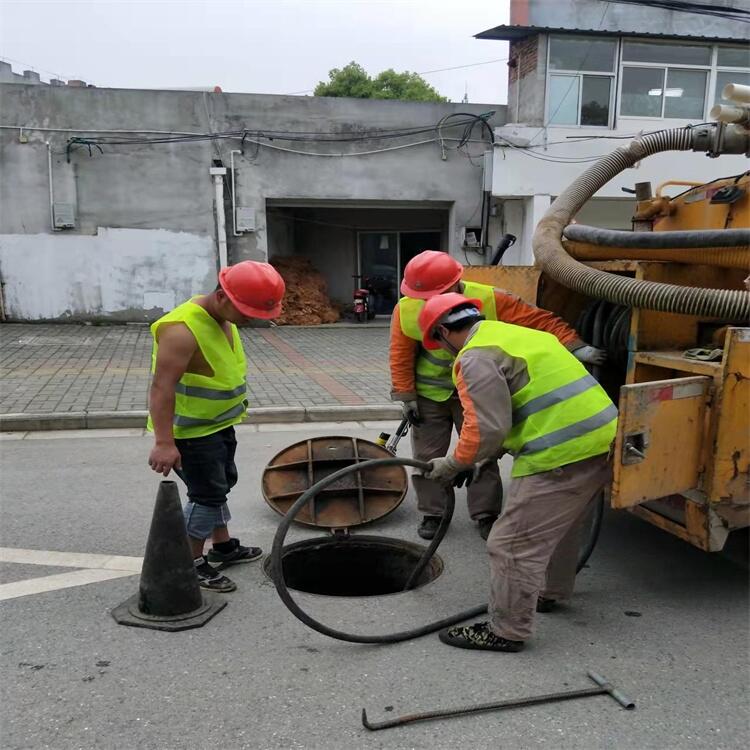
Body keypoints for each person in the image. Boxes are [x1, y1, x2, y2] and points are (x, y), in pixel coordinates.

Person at [418, 293, 617, 652]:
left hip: (559, 451)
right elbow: (512, 411)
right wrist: (476, 461)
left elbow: (486, 429)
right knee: (562, 524)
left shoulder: (474, 357)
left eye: (437, 341)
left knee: (510, 544)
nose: (441, 349)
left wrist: (452, 464)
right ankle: (549, 592)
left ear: (445, 331)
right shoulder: (522, 335)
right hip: (601, 439)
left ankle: (506, 630)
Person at [390, 250, 605, 541]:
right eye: (424, 297)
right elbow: (401, 353)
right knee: (428, 457)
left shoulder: (490, 299)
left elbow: (538, 321)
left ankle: (485, 514)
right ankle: (433, 513)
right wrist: (406, 395)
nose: (429, 302)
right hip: (431, 395)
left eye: (436, 294)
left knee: (484, 453)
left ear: (456, 284)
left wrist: (576, 345)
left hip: (480, 388)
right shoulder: (406, 310)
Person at [147, 261, 286, 593]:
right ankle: (191, 562)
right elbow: (161, 388)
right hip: (192, 434)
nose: (250, 318)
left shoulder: (221, 315)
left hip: (217, 426)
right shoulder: (181, 329)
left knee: (217, 487)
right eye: (246, 311)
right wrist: (165, 442)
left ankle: (223, 547)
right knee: (207, 495)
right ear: (223, 296)